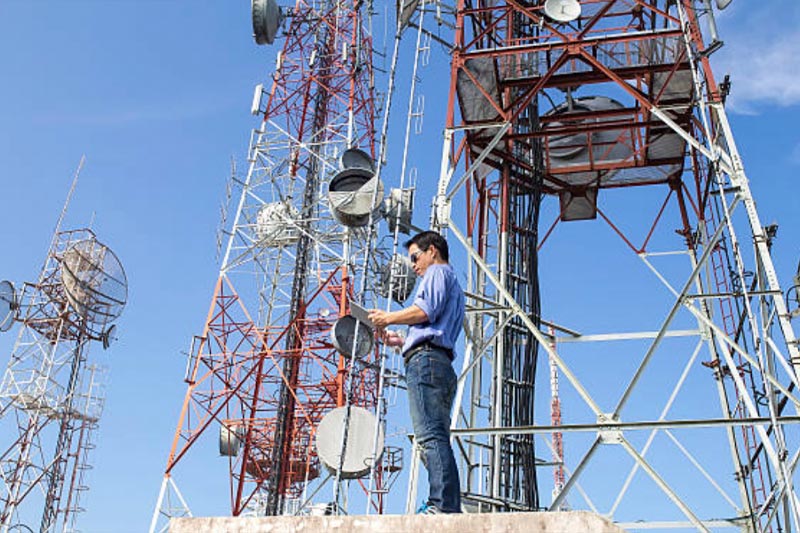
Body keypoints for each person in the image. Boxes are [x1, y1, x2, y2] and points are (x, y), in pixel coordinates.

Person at [368, 230, 465, 514]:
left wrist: (388, 317)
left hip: (426, 363)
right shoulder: (453, 284)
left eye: (415, 257)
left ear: (432, 251)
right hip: (439, 363)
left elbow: (426, 310)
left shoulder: (436, 273)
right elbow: (435, 326)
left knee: (430, 437)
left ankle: (442, 506)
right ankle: (446, 504)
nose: (413, 265)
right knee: (436, 436)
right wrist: (401, 339)